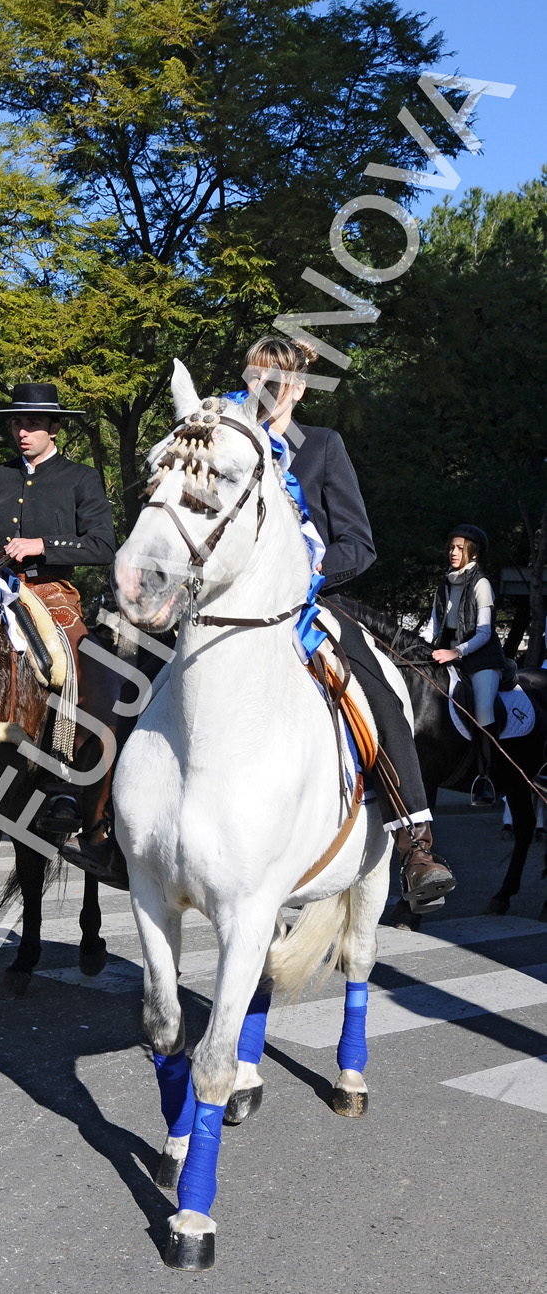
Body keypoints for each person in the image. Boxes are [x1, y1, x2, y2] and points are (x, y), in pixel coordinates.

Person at [236, 334, 456, 911]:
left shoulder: (323, 447)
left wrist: (311, 567)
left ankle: (415, 841)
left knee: (377, 688)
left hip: (308, 603)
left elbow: (359, 544)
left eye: (277, 383)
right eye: (255, 378)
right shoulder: (231, 440)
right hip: (232, 604)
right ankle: (113, 825)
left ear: (299, 389)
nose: (264, 391)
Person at [0, 382, 122, 873]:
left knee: (68, 670)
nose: (22, 432)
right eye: (17, 423)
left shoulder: (81, 478)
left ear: (55, 428)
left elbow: (103, 546)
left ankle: (62, 784)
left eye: (33, 424)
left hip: (51, 596)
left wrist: (42, 545)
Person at [420, 526, 505, 806]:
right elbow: (433, 626)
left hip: (481, 658)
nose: (453, 552)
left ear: (473, 552)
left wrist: (456, 651)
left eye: (460, 548)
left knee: (482, 708)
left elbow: (484, 632)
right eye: (451, 547)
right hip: (447, 653)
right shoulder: (444, 585)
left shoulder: (482, 584)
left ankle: (486, 777)